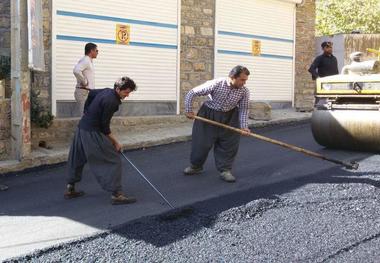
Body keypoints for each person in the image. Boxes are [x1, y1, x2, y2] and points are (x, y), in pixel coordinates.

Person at [64, 76, 137, 205]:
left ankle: (70, 188)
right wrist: (115, 142)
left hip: (82, 128)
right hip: (92, 132)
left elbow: (91, 93)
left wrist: (86, 111)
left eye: (129, 92)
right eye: (126, 92)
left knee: (77, 158)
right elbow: (104, 127)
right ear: (118, 89)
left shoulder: (107, 91)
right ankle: (117, 194)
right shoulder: (112, 102)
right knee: (112, 160)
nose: (127, 95)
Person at [184, 65, 251, 183]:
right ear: (232, 77)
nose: (244, 83)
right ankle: (196, 166)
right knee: (201, 143)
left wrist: (244, 126)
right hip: (208, 115)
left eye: (245, 80)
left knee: (229, 144)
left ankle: (225, 170)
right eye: (242, 80)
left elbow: (244, 109)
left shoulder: (244, 91)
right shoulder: (216, 84)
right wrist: (188, 110)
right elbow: (191, 93)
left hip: (230, 117)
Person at [73, 42, 98, 115]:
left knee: (88, 116)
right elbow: (76, 71)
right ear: (91, 51)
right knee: (84, 117)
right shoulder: (86, 60)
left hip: (86, 92)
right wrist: (84, 82)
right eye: (96, 50)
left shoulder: (88, 60)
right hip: (83, 92)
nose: (97, 52)